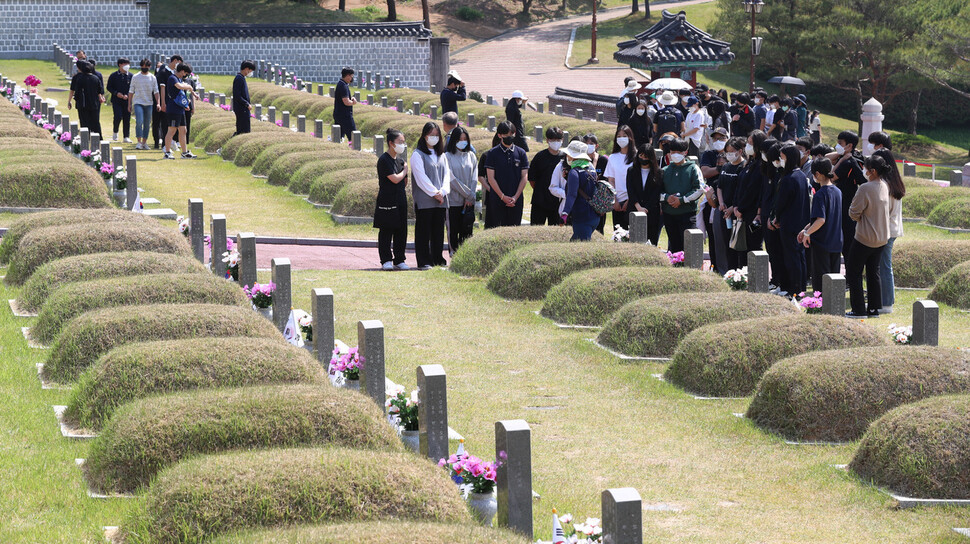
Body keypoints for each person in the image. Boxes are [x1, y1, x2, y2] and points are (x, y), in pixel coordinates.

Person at [845, 154, 892, 318]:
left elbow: (853, 212)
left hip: (864, 238)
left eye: (865, 168)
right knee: (873, 272)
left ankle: (858, 309)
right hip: (881, 238)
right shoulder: (884, 185)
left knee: (853, 272)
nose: (863, 170)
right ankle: (873, 309)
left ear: (871, 171)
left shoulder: (865, 188)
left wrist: (861, 219)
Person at [771, 145, 811, 296]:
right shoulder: (800, 175)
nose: (780, 160)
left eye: (782, 157)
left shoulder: (788, 178)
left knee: (791, 257)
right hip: (800, 221)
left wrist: (777, 217)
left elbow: (781, 202)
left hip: (789, 223)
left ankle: (794, 290)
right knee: (799, 256)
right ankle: (799, 288)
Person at [798, 158, 842, 293]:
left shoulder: (820, 194)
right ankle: (834, 306)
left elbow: (821, 220)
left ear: (817, 174)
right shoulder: (837, 191)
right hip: (836, 241)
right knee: (834, 279)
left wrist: (807, 233)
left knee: (821, 282)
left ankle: (820, 307)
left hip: (822, 242)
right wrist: (806, 228)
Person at [411, 122, 451, 269]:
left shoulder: (442, 155)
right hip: (425, 201)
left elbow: (447, 175)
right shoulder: (418, 154)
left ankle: (437, 259)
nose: (434, 138)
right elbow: (421, 178)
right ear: (424, 136)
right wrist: (435, 193)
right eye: (431, 135)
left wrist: (443, 192)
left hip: (441, 200)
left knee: (438, 232)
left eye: (436, 135)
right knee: (423, 232)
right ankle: (424, 261)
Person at [874, 147, 905, 313]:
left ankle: (886, 303)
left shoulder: (884, 184)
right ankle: (885, 301)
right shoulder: (895, 181)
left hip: (885, 230)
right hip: (892, 229)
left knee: (884, 266)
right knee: (884, 266)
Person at [374, 128, 410, 271]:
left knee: (401, 230)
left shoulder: (400, 161)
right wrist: (405, 171)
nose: (402, 144)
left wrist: (404, 173)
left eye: (403, 142)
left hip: (400, 198)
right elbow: (395, 179)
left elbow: (404, 182)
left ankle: (399, 259)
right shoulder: (384, 160)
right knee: (386, 230)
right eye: (400, 142)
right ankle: (386, 260)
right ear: (391, 143)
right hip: (387, 199)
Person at [830, 130, 867, 264]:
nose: (837, 145)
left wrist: (842, 160)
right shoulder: (852, 157)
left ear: (849, 146)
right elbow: (826, 158)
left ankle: (850, 276)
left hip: (846, 203)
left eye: (840, 143)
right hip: (848, 201)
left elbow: (831, 177)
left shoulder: (848, 162)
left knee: (847, 240)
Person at [484, 121, 530, 228]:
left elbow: (524, 177)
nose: (509, 137)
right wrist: (502, 196)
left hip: (516, 200)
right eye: (506, 135)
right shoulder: (492, 153)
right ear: (499, 135)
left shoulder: (521, 153)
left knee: (514, 230)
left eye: (511, 134)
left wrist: (515, 197)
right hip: (497, 199)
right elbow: (491, 178)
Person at [661, 138, 703, 253]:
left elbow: (699, 189)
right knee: (674, 245)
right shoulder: (665, 170)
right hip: (669, 214)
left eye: (679, 152)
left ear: (685, 152)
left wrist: (682, 200)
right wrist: (666, 198)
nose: (675, 155)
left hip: (687, 214)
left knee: (688, 247)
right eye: (672, 152)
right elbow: (657, 191)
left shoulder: (693, 168)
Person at [733, 130, 769, 262]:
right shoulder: (748, 163)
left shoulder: (761, 166)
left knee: (753, 244)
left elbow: (752, 190)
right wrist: (736, 206)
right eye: (747, 143)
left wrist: (741, 208)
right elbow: (740, 186)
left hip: (753, 213)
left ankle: (754, 276)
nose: (748, 146)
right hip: (741, 211)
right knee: (742, 245)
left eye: (751, 143)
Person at [700, 128, 730, 273]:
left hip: (727, 202)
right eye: (715, 138)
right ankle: (715, 267)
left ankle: (729, 268)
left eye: (721, 138)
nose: (718, 141)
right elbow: (705, 172)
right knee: (713, 236)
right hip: (711, 199)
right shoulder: (708, 154)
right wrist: (721, 168)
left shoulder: (732, 153)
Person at [445, 126, 478, 252]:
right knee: (453, 230)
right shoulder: (447, 156)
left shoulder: (471, 156)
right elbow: (451, 179)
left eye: (465, 139)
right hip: (453, 201)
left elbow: (474, 178)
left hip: (468, 202)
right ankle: (453, 253)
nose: (463, 141)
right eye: (460, 139)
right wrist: (468, 194)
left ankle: (465, 255)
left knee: (467, 230)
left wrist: (470, 197)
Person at [561, 140, 601, 241]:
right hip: (594, 216)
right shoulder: (591, 169)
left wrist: (565, 212)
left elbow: (572, 195)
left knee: (578, 247)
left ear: (573, 156)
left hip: (582, 216)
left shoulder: (574, 172)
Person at [626, 143, 663, 245]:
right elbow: (631, 190)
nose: (643, 159)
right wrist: (638, 207)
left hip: (651, 212)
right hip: (634, 208)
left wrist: (646, 208)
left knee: (651, 240)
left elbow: (656, 193)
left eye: (646, 156)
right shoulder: (631, 171)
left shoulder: (658, 173)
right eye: (641, 156)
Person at [718, 137, 747, 270]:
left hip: (737, 211)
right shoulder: (725, 166)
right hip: (724, 212)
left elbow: (742, 191)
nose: (729, 155)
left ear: (740, 151)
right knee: (727, 243)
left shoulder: (744, 167)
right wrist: (721, 203)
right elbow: (720, 187)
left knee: (739, 245)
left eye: (732, 151)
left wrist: (731, 208)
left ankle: (741, 272)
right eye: (727, 152)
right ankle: (731, 271)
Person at [528, 127, 565, 226]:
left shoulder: (564, 157)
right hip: (540, 200)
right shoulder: (540, 157)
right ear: (547, 140)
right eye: (553, 140)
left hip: (557, 200)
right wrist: (541, 190)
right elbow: (532, 179)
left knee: (556, 229)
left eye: (558, 140)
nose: (556, 142)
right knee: (536, 228)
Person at [162, 62, 199, 160]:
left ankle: (184, 152)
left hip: (180, 109)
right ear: (182, 71)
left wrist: (190, 98)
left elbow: (182, 93)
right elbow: (179, 86)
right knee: (172, 130)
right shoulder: (172, 78)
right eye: (186, 73)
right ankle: (167, 152)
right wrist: (190, 87)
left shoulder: (179, 79)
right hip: (173, 109)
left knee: (183, 130)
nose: (186, 75)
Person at [604, 125, 636, 230]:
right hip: (617, 201)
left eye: (624, 136)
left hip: (633, 201)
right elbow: (611, 180)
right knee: (618, 232)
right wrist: (615, 199)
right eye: (619, 136)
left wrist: (630, 200)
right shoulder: (613, 157)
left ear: (630, 137)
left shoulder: (636, 157)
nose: (621, 138)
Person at [128, 58, 159, 151]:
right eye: (142, 66)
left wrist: (158, 103)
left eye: (146, 66)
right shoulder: (135, 77)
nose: (144, 67)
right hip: (138, 102)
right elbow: (131, 91)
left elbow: (156, 91)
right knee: (139, 121)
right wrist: (129, 104)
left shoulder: (153, 77)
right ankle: (139, 141)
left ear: (149, 67)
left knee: (147, 123)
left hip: (149, 103)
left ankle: (144, 142)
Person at [67, 60, 104, 136]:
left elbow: (73, 91)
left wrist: (70, 101)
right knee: (95, 121)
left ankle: (86, 137)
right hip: (94, 103)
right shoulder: (95, 78)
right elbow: (99, 91)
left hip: (82, 103)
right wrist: (100, 98)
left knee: (84, 122)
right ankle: (98, 137)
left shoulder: (78, 78)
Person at [583, 133, 610, 234]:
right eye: (586, 143)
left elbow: (606, 183)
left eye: (591, 143)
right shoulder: (581, 161)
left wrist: (603, 205)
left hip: (599, 202)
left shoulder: (603, 161)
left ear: (596, 146)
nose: (589, 145)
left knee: (598, 231)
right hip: (584, 200)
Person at [154, 55, 180, 149]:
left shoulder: (175, 73)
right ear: (175, 61)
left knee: (169, 123)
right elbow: (161, 88)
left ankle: (169, 143)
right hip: (163, 101)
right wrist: (162, 102)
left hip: (172, 101)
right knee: (161, 122)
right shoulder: (163, 72)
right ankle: (161, 144)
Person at [106, 58, 132, 142]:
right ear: (120, 65)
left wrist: (128, 95)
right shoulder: (114, 75)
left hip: (127, 100)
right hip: (116, 100)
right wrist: (117, 93)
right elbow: (109, 87)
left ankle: (126, 136)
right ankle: (115, 131)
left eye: (128, 64)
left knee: (127, 118)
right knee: (118, 116)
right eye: (125, 64)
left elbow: (134, 88)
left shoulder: (131, 76)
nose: (127, 66)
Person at [333, 68, 358, 142]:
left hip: (339, 114)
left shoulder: (341, 84)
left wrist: (351, 98)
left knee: (338, 136)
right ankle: (354, 148)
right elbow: (346, 102)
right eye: (351, 76)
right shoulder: (343, 86)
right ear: (347, 76)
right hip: (345, 115)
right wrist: (353, 102)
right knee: (353, 134)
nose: (352, 78)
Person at [232, 60, 255, 135]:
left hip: (243, 108)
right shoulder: (239, 79)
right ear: (246, 69)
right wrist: (246, 104)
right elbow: (237, 95)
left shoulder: (242, 78)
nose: (251, 72)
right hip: (242, 108)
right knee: (243, 130)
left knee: (244, 129)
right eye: (250, 70)